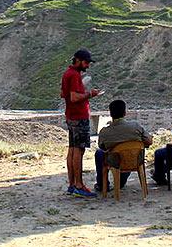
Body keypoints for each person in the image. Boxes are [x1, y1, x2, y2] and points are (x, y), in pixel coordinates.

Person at [61, 49, 101, 198]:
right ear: (78, 60)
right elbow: (73, 97)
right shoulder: (74, 75)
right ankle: (79, 185)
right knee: (79, 151)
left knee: (72, 150)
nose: (88, 66)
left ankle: (72, 184)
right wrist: (90, 94)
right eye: (86, 62)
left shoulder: (67, 74)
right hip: (79, 117)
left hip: (71, 116)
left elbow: (63, 94)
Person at [94, 100, 153, 192]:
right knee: (129, 154)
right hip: (135, 161)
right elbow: (149, 141)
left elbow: (102, 147)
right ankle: (121, 182)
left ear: (111, 114)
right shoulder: (136, 127)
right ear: (125, 113)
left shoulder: (105, 132)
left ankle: (101, 184)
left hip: (115, 162)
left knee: (99, 153)